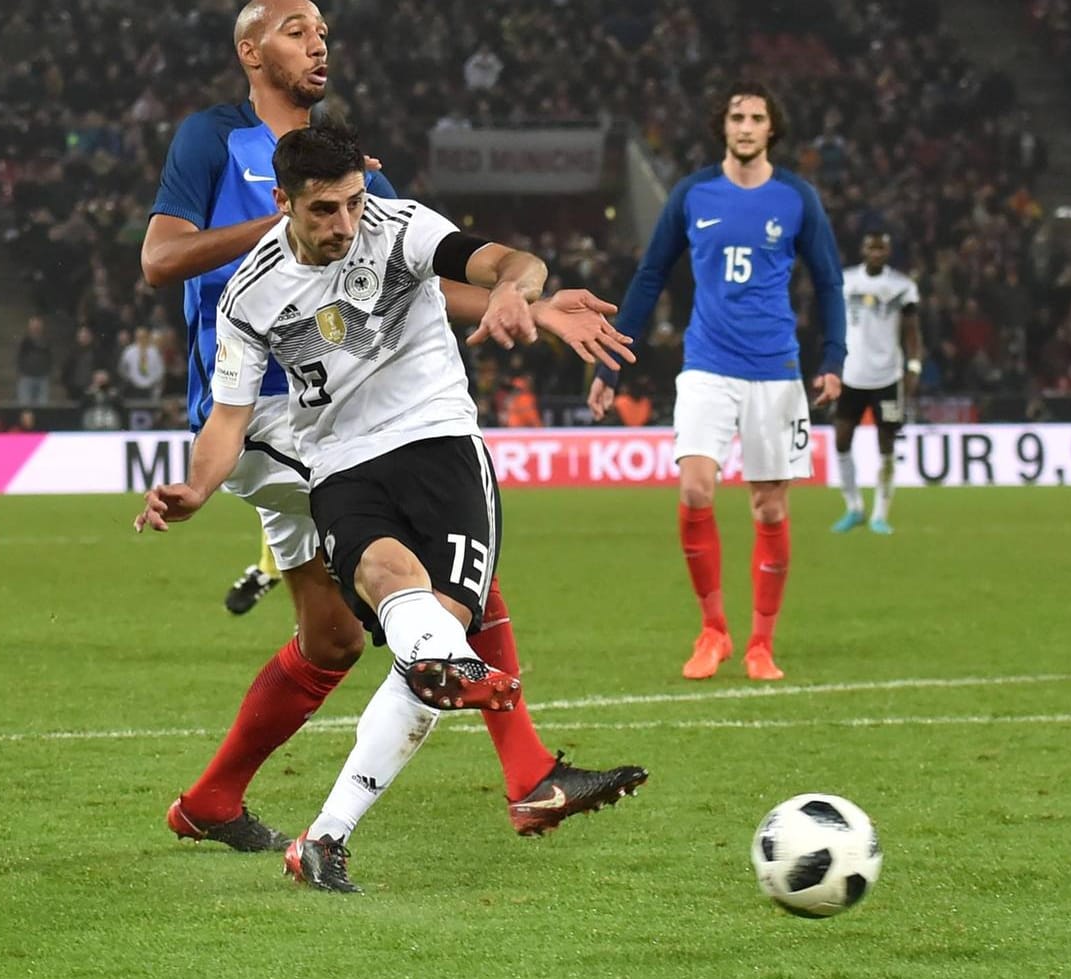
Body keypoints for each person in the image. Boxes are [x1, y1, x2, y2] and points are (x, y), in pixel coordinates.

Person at [137, 0, 647, 862]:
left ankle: (213, 798)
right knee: (450, 575)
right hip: (262, 411)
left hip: (322, 405)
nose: (318, 42)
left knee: (335, 637)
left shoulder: (347, 163)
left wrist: (533, 305)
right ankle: (521, 777)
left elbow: (399, 282)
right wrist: (291, 217)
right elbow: (158, 258)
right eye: (298, 29)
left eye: (324, 32)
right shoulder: (211, 138)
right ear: (251, 48)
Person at [591, 81, 847, 681]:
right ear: (723, 126)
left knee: (769, 503)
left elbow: (830, 283)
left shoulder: (797, 198)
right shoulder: (692, 194)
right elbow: (650, 276)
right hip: (706, 363)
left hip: (776, 370)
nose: (747, 125)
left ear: (771, 128)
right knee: (696, 490)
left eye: (758, 116)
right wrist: (609, 362)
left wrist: (833, 358)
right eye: (737, 116)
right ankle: (714, 631)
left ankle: (761, 643)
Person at [831, 230, 920, 535]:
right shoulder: (845, 282)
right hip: (852, 375)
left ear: (889, 250)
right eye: (872, 247)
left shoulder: (902, 286)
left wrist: (914, 368)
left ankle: (880, 514)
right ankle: (853, 507)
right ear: (863, 249)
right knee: (841, 439)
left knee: (886, 444)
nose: (877, 253)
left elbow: (912, 332)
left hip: (887, 376)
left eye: (882, 248)